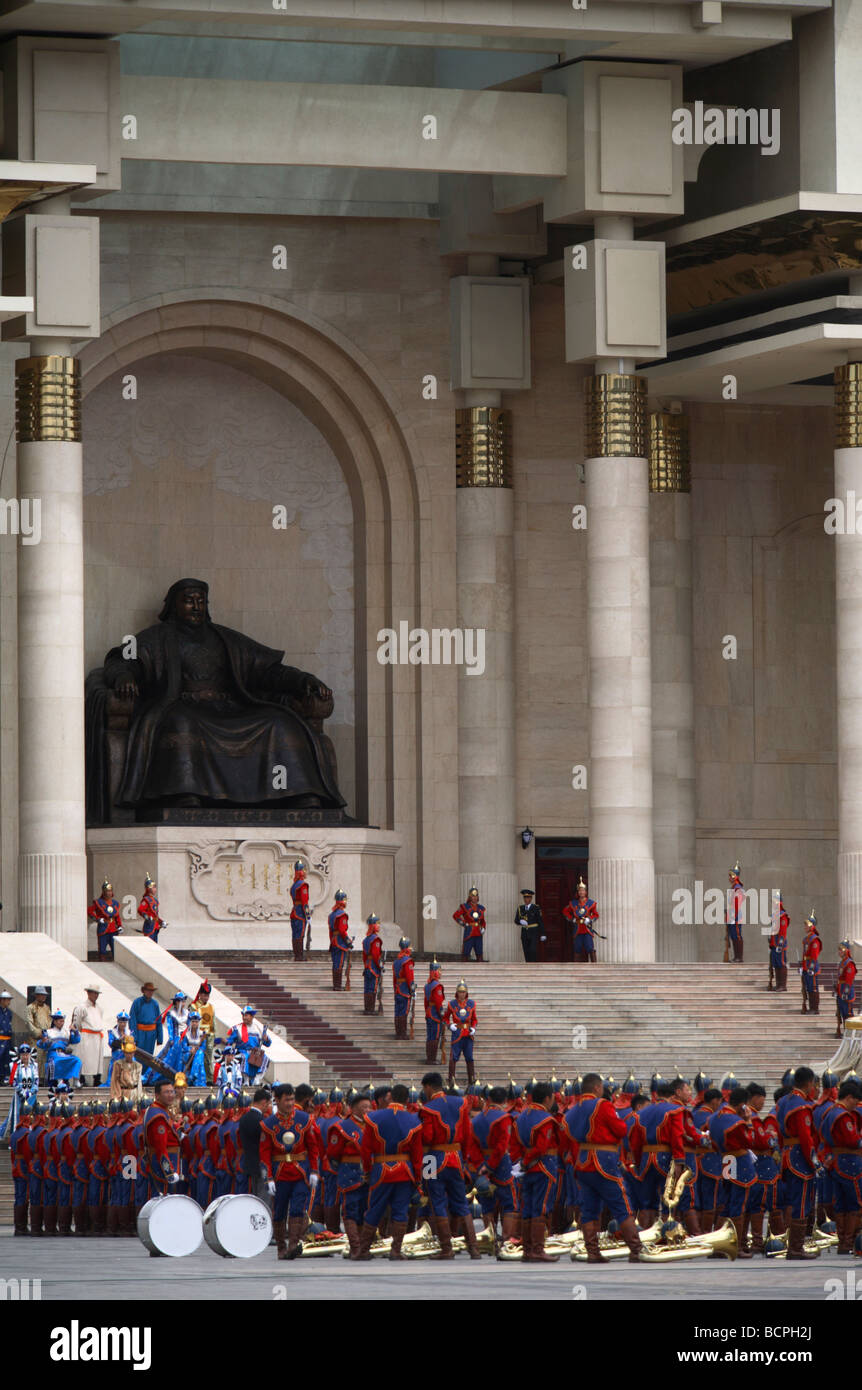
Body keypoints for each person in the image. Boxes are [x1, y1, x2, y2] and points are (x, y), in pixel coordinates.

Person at [566, 1072, 643, 1263]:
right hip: (603, 1161)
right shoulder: (602, 1105)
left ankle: (592, 1252)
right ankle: (636, 1249)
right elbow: (621, 1130)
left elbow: (568, 1131)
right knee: (621, 1204)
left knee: (589, 1209)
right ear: (597, 1088)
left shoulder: (573, 1110)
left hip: (583, 1162)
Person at [356, 1083, 424, 1260]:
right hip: (404, 1171)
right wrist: (418, 1177)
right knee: (401, 1211)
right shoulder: (414, 1121)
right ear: (407, 1100)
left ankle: (363, 1250)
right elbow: (418, 1154)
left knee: (374, 1209)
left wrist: (368, 1171)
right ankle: (396, 1250)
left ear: (390, 1097)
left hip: (381, 1170)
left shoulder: (373, 1117)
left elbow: (365, 1150)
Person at [262, 1081, 320, 1259]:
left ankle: (293, 1244)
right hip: (280, 1174)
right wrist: (269, 1178)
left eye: (292, 1099)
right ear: (277, 1100)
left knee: (297, 1209)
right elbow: (264, 1153)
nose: (289, 1103)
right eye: (286, 1100)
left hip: (300, 1172)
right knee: (279, 1211)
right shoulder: (268, 1124)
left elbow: (313, 1147)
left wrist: (314, 1171)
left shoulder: (304, 1119)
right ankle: (281, 1247)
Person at [707, 1086, 760, 1258]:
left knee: (726, 1202)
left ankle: (719, 1245)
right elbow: (750, 1141)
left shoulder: (715, 1117)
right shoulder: (737, 1122)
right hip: (740, 1161)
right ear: (743, 1104)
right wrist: (748, 1121)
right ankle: (736, 1246)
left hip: (725, 1160)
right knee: (739, 1203)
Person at [775, 1065, 821, 1259]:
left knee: (794, 1200)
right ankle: (795, 1248)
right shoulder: (801, 1105)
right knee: (801, 1202)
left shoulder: (784, 1101)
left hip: (787, 1153)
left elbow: (778, 1132)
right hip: (799, 1157)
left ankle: (794, 1246)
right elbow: (805, 1136)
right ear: (809, 1083)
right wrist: (813, 1161)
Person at [515, 1080, 560, 1262]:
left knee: (528, 1207)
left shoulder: (522, 1116)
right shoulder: (546, 1119)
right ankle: (537, 1249)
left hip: (527, 1168)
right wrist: (527, 1161)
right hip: (543, 1166)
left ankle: (527, 1249)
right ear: (548, 1098)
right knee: (541, 1207)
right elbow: (541, 1148)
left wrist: (523, 1163)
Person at [819, 1078, 862, 1254]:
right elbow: (852, 1139)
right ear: (849, 1097)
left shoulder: (830, 1112)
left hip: (836, 1163)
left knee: (841, 1204)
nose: (856, 1105)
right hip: (849, 1163)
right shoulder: (843, 1116)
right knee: (855, 1202)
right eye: (855, 1101)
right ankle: (849, 1242)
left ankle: (844, 1242)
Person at [327, 1088, 371, 1257]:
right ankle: (355, 1247)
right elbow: (333, 1154)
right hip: (350, 1173)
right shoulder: (341, 1127)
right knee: (350, 1209)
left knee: (365, 1209)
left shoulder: (372, 1125)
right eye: (363, 1107)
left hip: (368, 1173)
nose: (367, 1110)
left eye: (369, 1107)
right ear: (353, 1108)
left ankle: (363, 1246)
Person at [237, 1087, 274, 1202]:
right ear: (263, 1103)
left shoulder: (243, 1118)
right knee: (264, 1200)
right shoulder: (262, 1121)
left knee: (255, 1198)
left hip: (249, 1163)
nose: (268, 1107)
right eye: (268, 1104)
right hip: (262, 1164)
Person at [225, 1006, 272, 1083]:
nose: (244, 1017)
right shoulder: (237, 1029)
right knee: (244, 1057)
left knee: (265, 1058)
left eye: (246, 1015)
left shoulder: (258, 1028)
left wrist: (265, 1038)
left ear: (252, 1016)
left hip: (255, 1052)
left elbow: (267, 1043)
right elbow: (229, 1042)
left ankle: (257, 1078)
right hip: (241, 1051)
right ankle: (245, 1079)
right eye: (243, 1015)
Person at [71, 984, 106, 1087]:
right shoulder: (82, 1007)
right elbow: (76, 1022)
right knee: (85, 1058)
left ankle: (97, 1078)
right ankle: (81, 1078)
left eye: (97, 993)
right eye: (93, 993)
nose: (95, 995)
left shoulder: (99, 1008)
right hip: (87, 1035)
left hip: (97, 1035)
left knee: (97, 1059)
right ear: (88, 993)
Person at [444, 979, 477, 1086]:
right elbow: (445, 1018)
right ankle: (451, 1081)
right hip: (457, 1033)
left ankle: (472, 1081)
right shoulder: (452, 1004)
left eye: (463, 992)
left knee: (469, 1058)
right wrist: (450, 1025)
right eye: (460, 992)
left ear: (466, 993)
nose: (462, 994)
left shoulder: (472, 1004)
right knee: (453, 1058)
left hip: (468, 1034)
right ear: (456, 992)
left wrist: (473, 1027)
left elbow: (475, 1019)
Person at [38, 1011, 83, 1085]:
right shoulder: (48, 1032)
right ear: (55, 1022)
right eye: (60, 1021)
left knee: (77, 1060)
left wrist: (75, 1032)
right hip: (53, 1053)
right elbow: (41, 1044)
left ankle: (76, 1080)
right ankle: (59, 1080)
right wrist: (44, 1041)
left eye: (63, 1021)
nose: (62, 1023)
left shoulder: (67, 1032)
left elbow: (76, 1040)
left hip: (64, 1053)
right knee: (56, 1061)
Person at [563, 878, 599, 962]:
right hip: (578, 929)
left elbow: (596, 915)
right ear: (578, 892)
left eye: (583, 890)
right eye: (580, 890)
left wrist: (589, 919)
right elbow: (565, 912)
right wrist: (572, 919)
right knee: (577, 948)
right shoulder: (573, 903)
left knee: (590, 947)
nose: (581, 892)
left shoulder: (591, 903)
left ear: (585, 892)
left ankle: (595, 968)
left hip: (587, 929)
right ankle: (576, 970)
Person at [87, 879, 123, 961]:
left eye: (110, 891)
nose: (109, 893)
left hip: (113, 929)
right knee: (102, 950)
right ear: (103, 892)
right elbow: (89, 911)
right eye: (107, 891)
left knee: (115, 950)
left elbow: (117, 916)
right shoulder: (98, 902)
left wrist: (120, 926)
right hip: (103, 929)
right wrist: (97, 919)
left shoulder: (115, 903)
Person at [129, 982, 163, 1058]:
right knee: (139, 1055)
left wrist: (159, 1037)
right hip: (140, 1033)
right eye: (148, 990)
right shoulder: (137, 1002)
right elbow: (132, 1020)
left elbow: (159, 1021)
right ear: (144, 991)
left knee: (149, 1057)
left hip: (151, 1035)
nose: (150, 992)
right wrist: (134, 1036)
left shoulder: (155, 1004)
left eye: (151, 991)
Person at [328, 890, 352, 991]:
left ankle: (336, 984)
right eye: (345, 900)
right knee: (339, 963)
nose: (346, 902)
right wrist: (348, 942)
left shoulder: (332, 914)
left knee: (336, 963)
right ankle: (337, 986)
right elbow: (342, 931)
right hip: (340, 942)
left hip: (334, 941)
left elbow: (331, 931)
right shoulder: (342, 915)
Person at [454, 886, 486, 962]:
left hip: (478, 932)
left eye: (476, 896)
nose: (474, 898)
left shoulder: (481, 908)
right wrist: (464, 924)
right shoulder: (464, 906)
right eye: (473, 896)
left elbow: (482, 921)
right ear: (470, 897)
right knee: (465, 954)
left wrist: (483, 928)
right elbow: (456, 916)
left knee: (479, 954)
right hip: (469, 932)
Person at [193, 981, 216, 1084]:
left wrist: (213, 1036)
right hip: (197, 1036)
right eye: (204, 995)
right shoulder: (194, 1007)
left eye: (208, 995)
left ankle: (209, 1079)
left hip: (209, 1036)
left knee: (208, 1058)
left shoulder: (211, 1007)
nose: (206, 997)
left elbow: (213, 1023)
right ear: (200, 994)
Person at [27, 987, 53, 1079]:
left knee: (44, 1060)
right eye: (41, 995)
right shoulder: (30, 1007)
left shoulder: (47, 1008)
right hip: (35, 1039)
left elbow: (50, 1022)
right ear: (36, 995)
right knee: (36, 1060)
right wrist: (39, 1034)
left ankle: (43, 1080)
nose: (43, 997)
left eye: (44, 995)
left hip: (46, 1038)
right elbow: (29, 1024)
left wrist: (48, 1034)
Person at [392, 936, 414, 1040]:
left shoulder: (396, 961)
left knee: (398, 1011)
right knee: (404, 1012)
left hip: (397, 989)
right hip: (405, 990)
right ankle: (402, 1033)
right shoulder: (407, 961)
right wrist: (412, 989)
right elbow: (410, 978)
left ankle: (398, 1032)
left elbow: (394, 978)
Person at [424, 959, 445, 1065]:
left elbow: (425, 1002)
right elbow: (438, 1003)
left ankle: (429, 1057)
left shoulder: (427, 985)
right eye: (439, 970)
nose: (440, 973)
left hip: (429, 1013)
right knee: (435, 1036)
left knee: (430, 1036)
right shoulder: (437, 986)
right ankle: (432, 1058)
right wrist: (442, 1017)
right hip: (435, 1015)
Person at [800, 910, 822, 1015]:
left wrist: (811, 969)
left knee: (813, 988)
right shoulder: (807, 939)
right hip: (806, 966)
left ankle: (814, 1008)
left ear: (811, 926)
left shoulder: (814, 940)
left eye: (806, 925)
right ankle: (810, 1008)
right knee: (808, 988)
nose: (804, 927)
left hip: (811, 968)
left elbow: (814, 956)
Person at [362, 913, 383, 1015]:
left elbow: (364, 956)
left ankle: (367, 1008)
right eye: (377, 924)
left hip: (367, 966)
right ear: (372, 925)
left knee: (367, 988)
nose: (379, 926)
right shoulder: (376, 939)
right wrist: (380, 966)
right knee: (372, 988)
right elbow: (376, 956)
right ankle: (370, 1009)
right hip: (373, 967)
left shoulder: (366, 939)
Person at [179, 1010, 208, 1086]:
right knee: (198, 1055)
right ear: (190, 1022)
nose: (194, 1023)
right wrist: (190, 1050)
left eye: (196, 1022)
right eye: (193, 1021)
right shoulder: (185, 1034)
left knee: (200, 1054)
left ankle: (194, 1075)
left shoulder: (202, 1034)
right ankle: (193, 1076)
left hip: (198, 1052)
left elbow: (203, 1047)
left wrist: (196, 1050)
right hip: (187, 1053)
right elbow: (183, 1047)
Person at [836, 939, 858, 1038]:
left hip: (846, 991)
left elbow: (849, 980)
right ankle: (846, 1032)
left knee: (847, 1013)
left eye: (841, 949)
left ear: (846, 950)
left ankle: (850, 1033)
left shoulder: (849, 963)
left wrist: (845, 992)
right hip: (841, 990)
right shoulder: (842, 962)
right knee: (842, 1012)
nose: (839, 952)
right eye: (839, 950)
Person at [290, 859, 310, 962]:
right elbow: (304, 901)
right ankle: (299, 956)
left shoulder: (294, 885)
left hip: (294, 912)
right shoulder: (303, 885)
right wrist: (308, 915)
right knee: (300, 934)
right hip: (300, 913)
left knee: (295, 934)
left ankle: (297, 955)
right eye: (304, 870)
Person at [767, 893, 789, 991]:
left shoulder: (782, 916)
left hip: (779, 945)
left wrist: (780, 944)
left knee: (781, 964)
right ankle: (778, 984)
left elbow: (783, 932)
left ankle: (782, 985)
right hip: (774, 943)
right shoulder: (775, 915)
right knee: (775, 964)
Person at [516, 889, 544, 962]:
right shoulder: (520, 908)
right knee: (526, 951)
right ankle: (528, 965)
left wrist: (542, 934)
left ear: (531, 898)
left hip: (533, 932)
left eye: (528, 897)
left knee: (533, 950)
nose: (526, 899)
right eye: (525, 897)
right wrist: (520, 921)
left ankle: (533, 966)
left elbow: (540, 921)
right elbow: (516, 920)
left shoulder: (536, 908)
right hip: (524, 932)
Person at [725, 861, 745, 963]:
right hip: (732, 915)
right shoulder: (734, 888)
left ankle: (739, 957)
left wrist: (732, 913)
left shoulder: (738, 888)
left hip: (736, 915)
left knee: (737, 935)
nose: (729, 878)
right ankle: (736, 956)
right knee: (733, 935)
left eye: (730, 876)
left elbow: (737, 903)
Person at [137, 874, 167, 943]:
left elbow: (155, 915)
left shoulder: (155, 900)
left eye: (155, 887)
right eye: (153, 887)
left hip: (155, 926)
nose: (155, 889)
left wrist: (161, 922)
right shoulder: (146, 900)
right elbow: (140, 910)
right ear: (149, 889)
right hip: (150, 926)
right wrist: (147, 917)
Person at [0, 989, 13, 1085]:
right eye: (7, 1000)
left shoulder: (9, 1012)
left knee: (7, 1058)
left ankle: (5, 1077)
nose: (9, 1002)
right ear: (2, 1000)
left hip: (7, 1039)